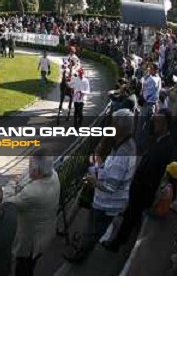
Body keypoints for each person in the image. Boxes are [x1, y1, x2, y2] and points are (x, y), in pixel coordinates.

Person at [64, 109, 137, 263]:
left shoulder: (123, 154)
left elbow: (111, 187)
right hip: (107, 201)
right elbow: (110, 170)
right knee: (92, 228)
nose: (110, 125)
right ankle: (82, 247)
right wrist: (96, 169)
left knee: (93, 231)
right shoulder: (124, 144)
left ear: (120, 128)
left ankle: (79, 256)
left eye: (113, 123)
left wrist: (93, 181)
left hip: (107, 204)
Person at [105, 109, 175, 251]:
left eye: (158, 121)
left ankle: (116, 244)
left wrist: (140, 189)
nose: (154, 124)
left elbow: (154, 172)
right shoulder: (160, 140)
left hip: (143, 190)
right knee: (131, 215)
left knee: (130, 217)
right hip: (140, 188)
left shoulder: (166, 145)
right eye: (154, 120)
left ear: (166, 125)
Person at [6, 152, 60, 276]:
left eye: (29, 165)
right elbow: (27, 178)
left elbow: (7, 202)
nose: (28, 168)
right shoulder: (53, 175)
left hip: (30, 242)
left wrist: (11, 184)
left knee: (23, 269)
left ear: (36, 171)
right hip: (45, 233)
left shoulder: (32, 193)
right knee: (30, 265)